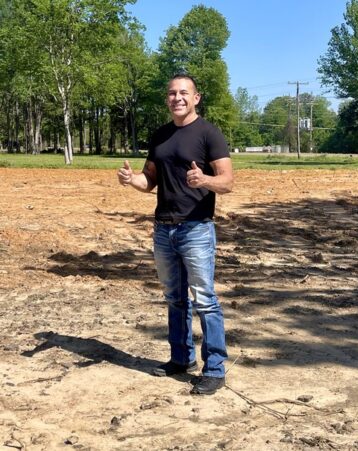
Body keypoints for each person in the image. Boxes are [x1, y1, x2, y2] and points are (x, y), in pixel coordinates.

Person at [117, 74, 233, 395]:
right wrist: (131, 180)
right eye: (172, 93)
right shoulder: (161, 136)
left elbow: (227, 181)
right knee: (175, 299)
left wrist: (204, 181)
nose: (177, 98)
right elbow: (148, 181)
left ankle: (215, 369)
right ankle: (181, 358)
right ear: (166, 98)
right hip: (164, 229)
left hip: (196, 228)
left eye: (184, 93)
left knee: (205, 301)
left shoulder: (209, 133)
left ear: (196, 98)